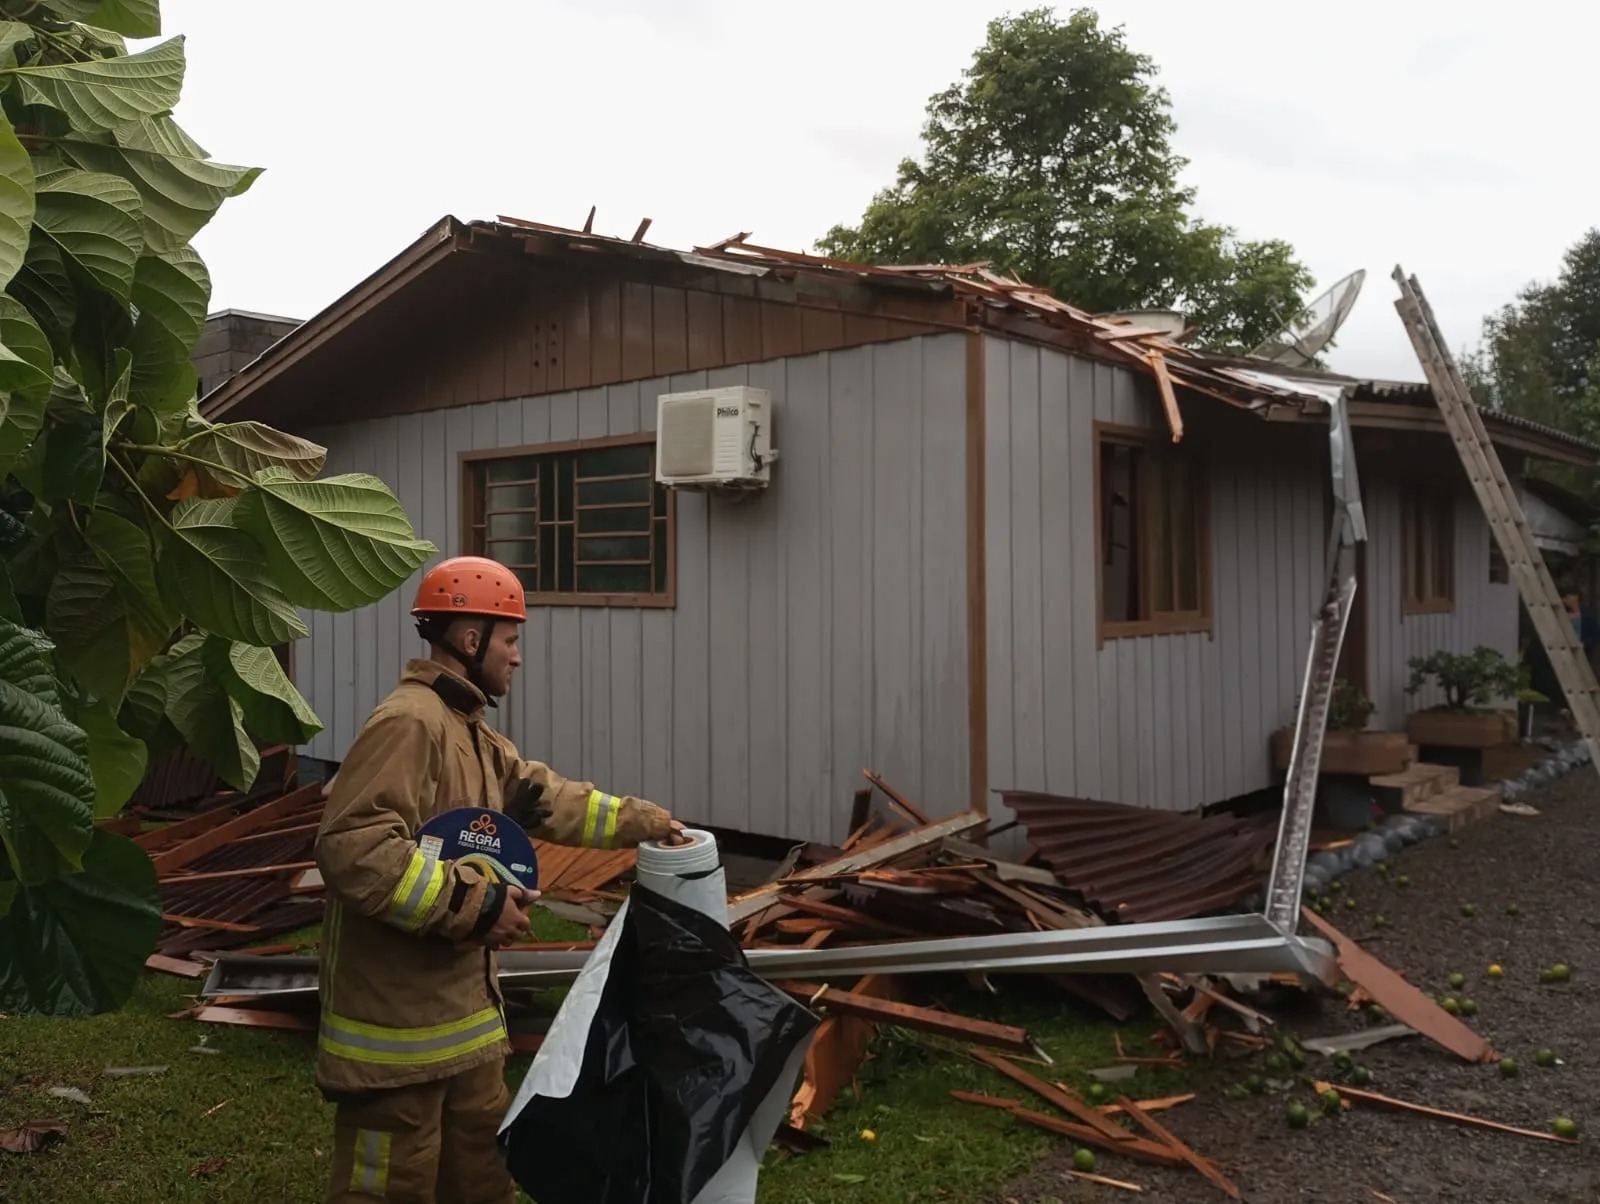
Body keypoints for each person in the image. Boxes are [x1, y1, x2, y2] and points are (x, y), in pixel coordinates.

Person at [313, 554, 686, 1203]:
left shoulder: (471, 734)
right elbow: (355, 847)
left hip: (465, 1037)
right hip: (398, 1045)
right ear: (469, 639)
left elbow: (550, 798)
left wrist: (642, 823)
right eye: (510, 640)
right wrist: (479, 905)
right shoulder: (410, 723)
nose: (516, 656)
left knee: (482, 1185)